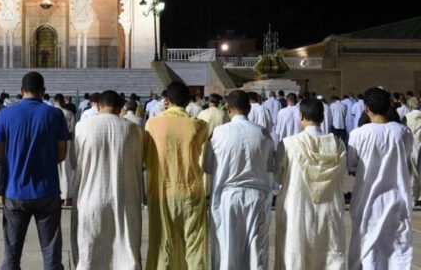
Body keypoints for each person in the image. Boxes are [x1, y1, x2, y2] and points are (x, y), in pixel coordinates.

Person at [0, 71, 69, 270]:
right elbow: (61, 155)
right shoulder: (55, 114)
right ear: (43, 91)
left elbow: (0, 155)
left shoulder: (5, 115)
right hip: (47, 190)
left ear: (21, 91)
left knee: (11, 254)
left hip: (15, 190)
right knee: (51, 253)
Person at [70, 90, 142, 270]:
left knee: (89, 254)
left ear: (98, 106)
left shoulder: (82, 127)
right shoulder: (133, 129)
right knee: (125, 254)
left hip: (90, 198)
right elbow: (139, 161)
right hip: (124, 200)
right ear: (120, 108)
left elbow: (74, 161)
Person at [204, 90, 275, 269]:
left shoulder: (218, 134)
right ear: (249, 109)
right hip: (257, 197)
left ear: (227, 109)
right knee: (255, 251)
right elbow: (269, 166)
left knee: (227, 250)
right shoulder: (263, 133)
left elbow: (207, 166)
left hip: (228, 198)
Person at [274, 97, 347, 269]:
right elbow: (341, 175)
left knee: (295, 252)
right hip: (329, 208)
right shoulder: (338, 145)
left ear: (301, 116)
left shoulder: (288, 144)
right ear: (322, 117)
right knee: (329, 252)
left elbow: (278, 177)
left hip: (297, 207)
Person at [143, 81, 209, 269]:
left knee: (162, 244)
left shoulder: (152, 124)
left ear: (167, 100)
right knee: (194, 246)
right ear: (188, 102)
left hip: (161, 191)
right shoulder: (198, 126)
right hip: (192, 191)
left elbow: (147, 158)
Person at [348, 87, 415, 268]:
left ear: (366, 108)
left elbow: (352, 166)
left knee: (368, 248)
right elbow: (407, 159)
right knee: (398, 247)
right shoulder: (403, 133)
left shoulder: (357, 135)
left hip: (367, 200)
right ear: (389, 107)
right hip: (397, 199)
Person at [54, 93, 77, 206]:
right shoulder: (69, 113)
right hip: (66, 142)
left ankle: (56, 195)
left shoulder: (50, 112)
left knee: (55, 170)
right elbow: (72, 130)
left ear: (55, 101)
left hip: (52, 143)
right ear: (62, 101)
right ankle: (67, 197)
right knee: (66, 170)